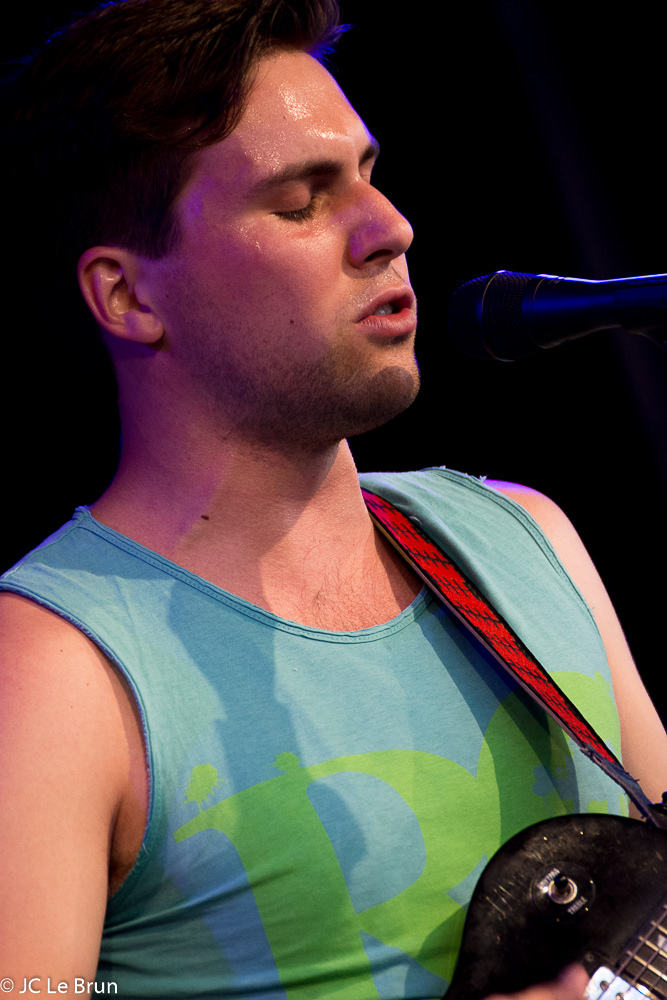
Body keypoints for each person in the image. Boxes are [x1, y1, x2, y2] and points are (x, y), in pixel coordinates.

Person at [1, 1, 665, 998]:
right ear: (128, 297)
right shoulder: (50, 672)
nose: (390, 228)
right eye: (301, 201)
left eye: (366, 172)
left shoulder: (522, 537)